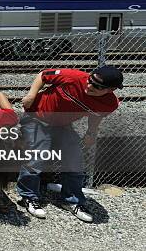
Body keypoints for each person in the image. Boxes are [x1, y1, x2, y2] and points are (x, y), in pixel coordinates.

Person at [18, 66, 123, 222]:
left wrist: (91, 133)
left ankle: (72, 200)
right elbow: (43, 75)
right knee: (37, 157)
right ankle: (28, 197)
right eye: (90, 81)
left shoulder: (110, 103)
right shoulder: (72, 77)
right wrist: (31, 96)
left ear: (111, 89)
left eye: (97, 86)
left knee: (75, 160)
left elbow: (96, 115)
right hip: (36, 118)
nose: (89, 86)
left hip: (62, 125)